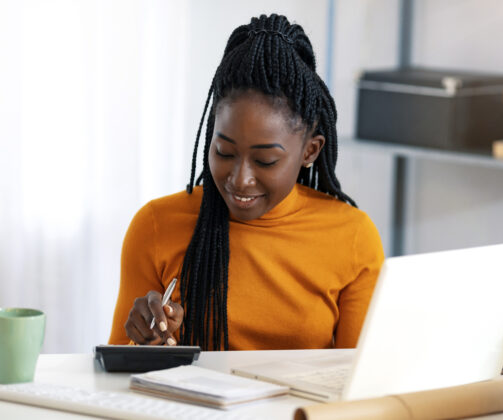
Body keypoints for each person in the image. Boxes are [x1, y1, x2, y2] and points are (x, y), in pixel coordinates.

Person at [108, 14, 384, 351]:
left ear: (310, 151)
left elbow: (359, 382)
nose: (240, 179)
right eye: (224, 152)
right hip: (193, 406)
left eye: (265, 160)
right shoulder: (155, 225)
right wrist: (150, 341)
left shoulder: (352, 238)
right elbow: (117, 379)